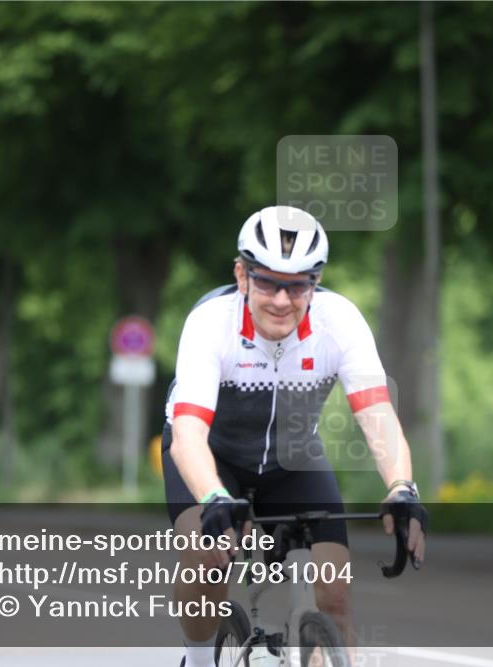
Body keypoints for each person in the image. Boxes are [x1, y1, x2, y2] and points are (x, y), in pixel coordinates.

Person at [162, 205, 427, 667]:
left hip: (293, 459)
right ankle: (199, 660)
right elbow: (188, 434)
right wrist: (214, 496)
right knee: (209, 557)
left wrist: (402, 486)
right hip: (211, 455)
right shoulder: (210, 323)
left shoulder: (339, 322)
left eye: (298, 284)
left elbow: (376, 413)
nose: (282, 300)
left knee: (336, 594)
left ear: (316, 283)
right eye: (266, 281)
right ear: (241, 275)